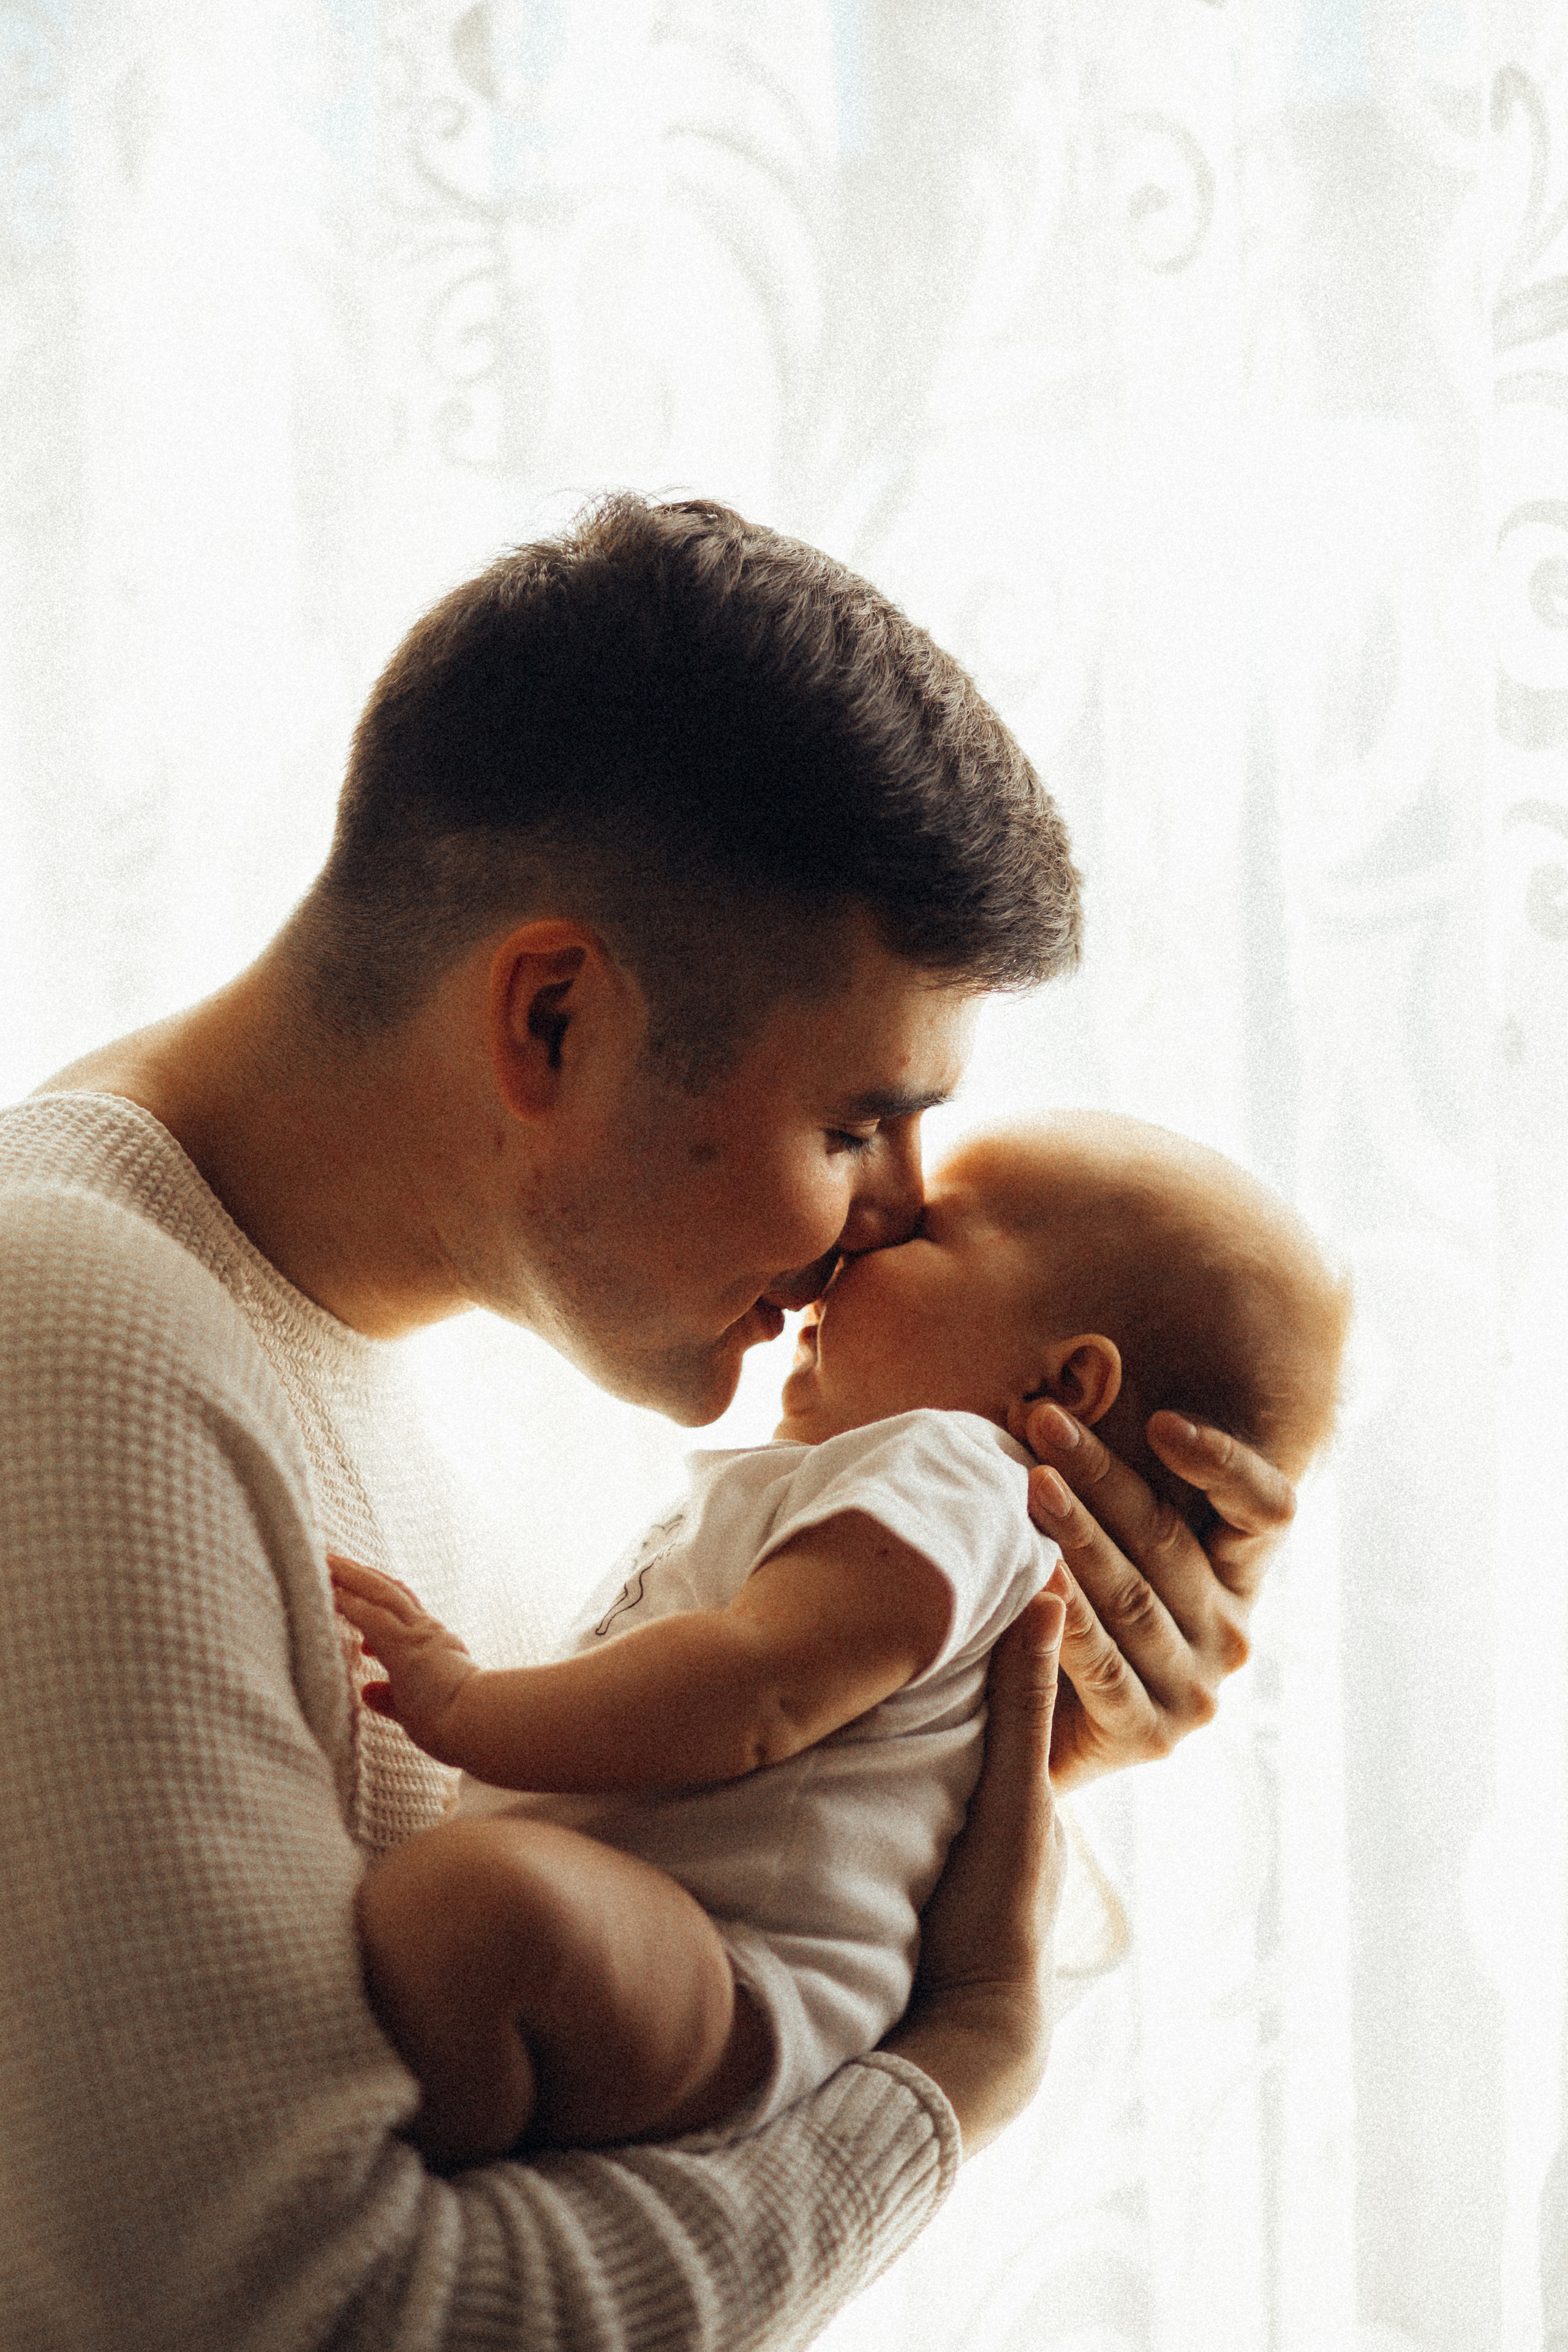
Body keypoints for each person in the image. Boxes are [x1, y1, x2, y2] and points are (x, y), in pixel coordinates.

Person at [0, 495, 1297, 2352]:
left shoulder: (468, 1388)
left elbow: (565, 2090)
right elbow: (306, 2314)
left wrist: (970, 1740)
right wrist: (956, 2075)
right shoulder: (66, 1334)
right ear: (550, 1019)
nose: (902, 1214)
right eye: (860, 1124)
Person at [330, 1112, 1350, 2169]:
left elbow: (758, 1692)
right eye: (852, 1126)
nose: (853, 1248)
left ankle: (414, 2187)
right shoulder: (928, 1509)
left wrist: (462, 1706)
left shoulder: (958, 1468)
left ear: (1059, 1388)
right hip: (695, 1965)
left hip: (734, 1969)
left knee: (469, 1916)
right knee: (462, 1930)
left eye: (924, 1237)